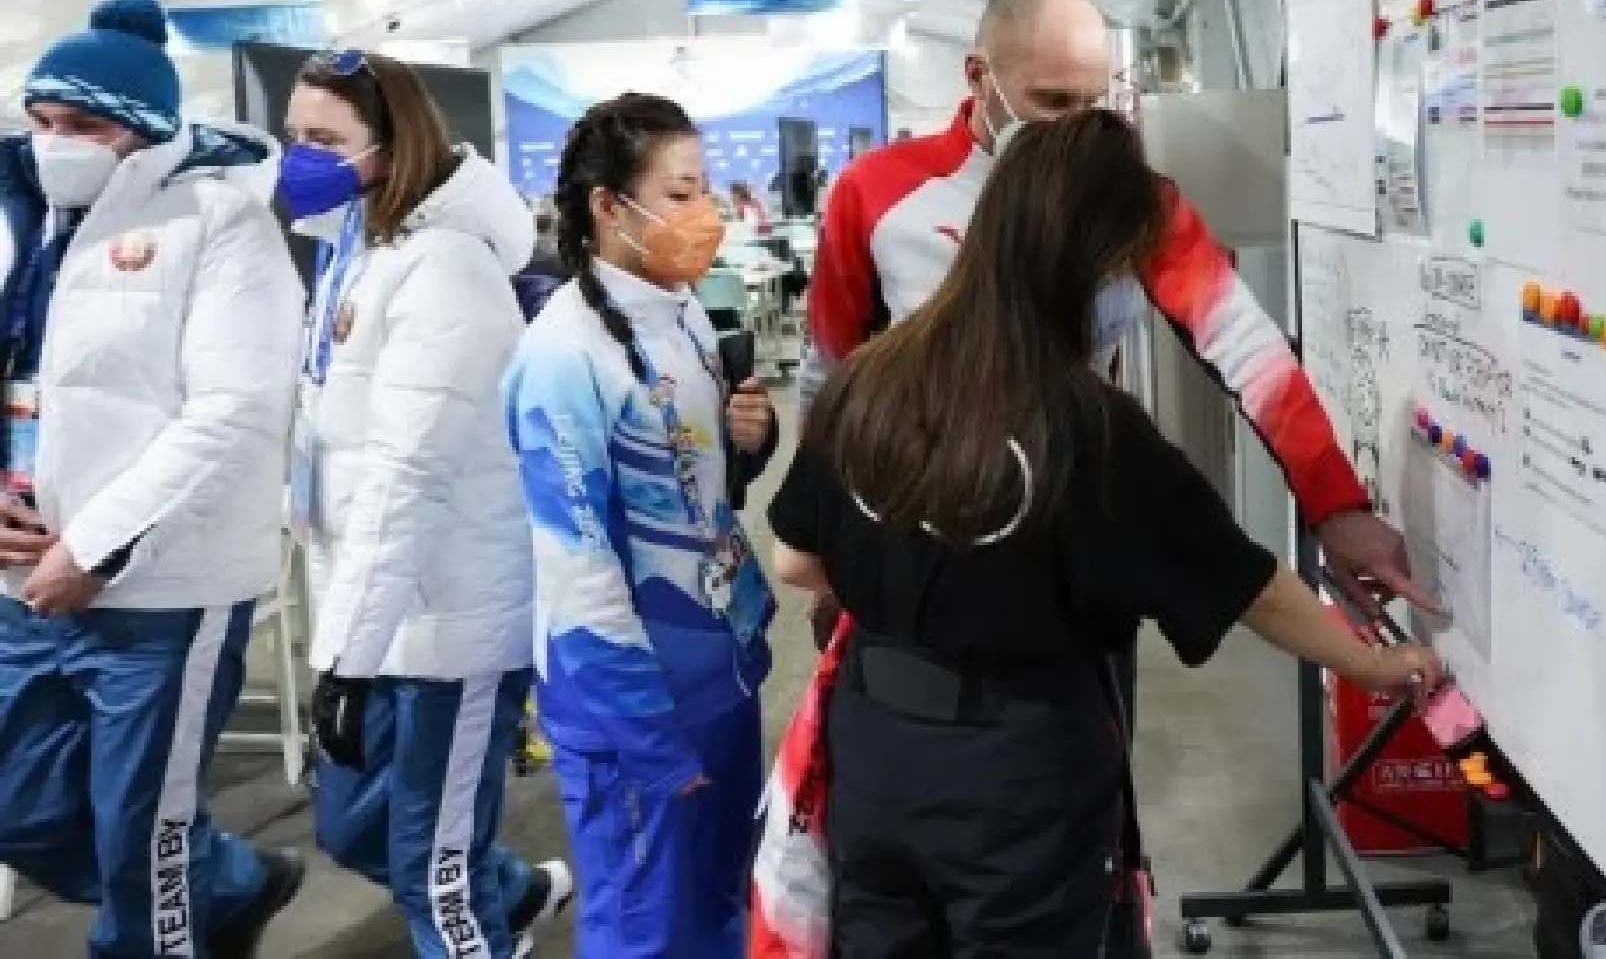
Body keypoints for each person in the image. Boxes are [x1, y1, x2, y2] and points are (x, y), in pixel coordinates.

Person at [768, 110, 1443, 955]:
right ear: (1095, 258)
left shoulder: (869, 379)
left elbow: (793, 558)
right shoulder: (1088, 426)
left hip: (873, 748)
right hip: (1018, 770)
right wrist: (1377, 661)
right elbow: (1249, 587)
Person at [801, 0, 1440, 663]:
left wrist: (1335, 505)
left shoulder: (1133, 202)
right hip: (914, 543)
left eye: (1091, 100)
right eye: (1051, 101)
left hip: (1068, 544)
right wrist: (826, 537)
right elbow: (831, 368)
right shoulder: (876, 191)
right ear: (980, 77)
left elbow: (1253, 354)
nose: (1075, 125)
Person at [0, 0, 307, 956]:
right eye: (43, 123)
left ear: (145, 129)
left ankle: (172, 909)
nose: (57, 143)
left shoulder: (221, 226)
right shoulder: (30, 228)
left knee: (145, 839)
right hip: (24, 582)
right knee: (18, 802)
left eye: (84, 126)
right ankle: (228, 881)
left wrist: (95, 543)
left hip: (163, 592)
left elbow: (234, 411)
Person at [282, 49, 570, 958]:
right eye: (294, 136)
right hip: (376, 605)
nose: (301, 157)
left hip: (448, 622)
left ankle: (486, 918)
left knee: (430, 873)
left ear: (391, 145)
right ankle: (517, 894)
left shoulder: (445, 269)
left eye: (325, 139)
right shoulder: (357, 250)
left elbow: (407, 473)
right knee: (353, 829)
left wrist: (348, 656)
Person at [506, 93, 781, 957]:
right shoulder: (562, 356)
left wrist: (751, 441)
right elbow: (578, 570)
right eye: (679, 194)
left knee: (718, 909)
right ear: (605, 207)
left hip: (717, 675)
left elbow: (698, 487)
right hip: (636, 709)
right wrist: (650, 738)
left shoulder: (682, 310)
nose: (701, 217)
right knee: (644, 929)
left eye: (703, 191)